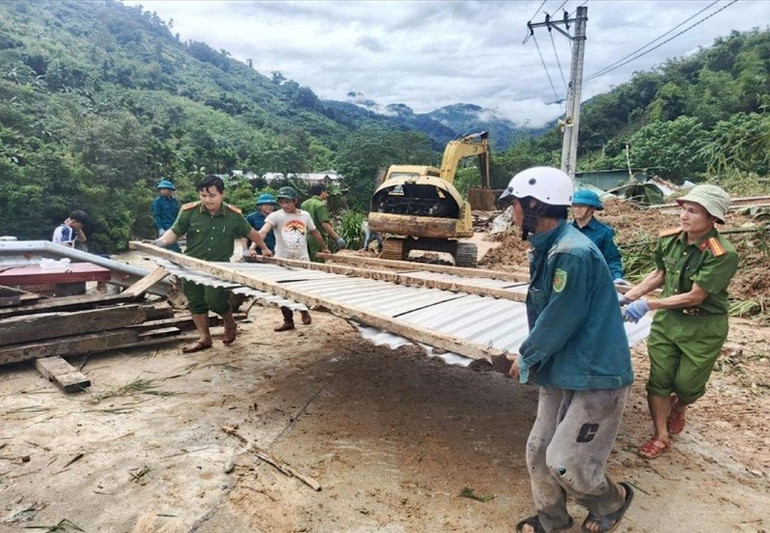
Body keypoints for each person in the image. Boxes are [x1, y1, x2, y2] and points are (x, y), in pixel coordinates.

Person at [499, 167, 634, 533]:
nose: (511, 213)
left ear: (532, 205)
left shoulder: (572, 253)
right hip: (561, 367)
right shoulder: (547, 249)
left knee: (566, 462)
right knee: (537, 452)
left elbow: (561, 316)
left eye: (513, 204)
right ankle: (553, 520)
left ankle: (613, 499)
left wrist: (526, 356)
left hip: (595, 374)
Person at [621, 184, 738, 460]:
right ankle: (660, 435)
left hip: (704, 328)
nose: (684, 216)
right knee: (658, 381)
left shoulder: (722, 254)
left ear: (713, 219)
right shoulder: (670, 240)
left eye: (693, 211)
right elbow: (660, 273)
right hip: (668, 323)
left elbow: (696, 297)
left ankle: (681, 405)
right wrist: (629, 296)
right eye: (684, 209)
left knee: (688, 385)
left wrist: (647, 304)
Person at [155, 175, 273, 353]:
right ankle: (204, 338)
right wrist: (159, 243)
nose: (207, 200)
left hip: (218, 267)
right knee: (195, 301)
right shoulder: (189, 211)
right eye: (203, 195)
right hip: (192, 265)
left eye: (212, 195)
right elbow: (175, 232)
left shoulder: (233, 216)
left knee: (215, 301)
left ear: (222, 194)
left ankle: (229, 320)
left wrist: (264, 248)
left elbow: (251, 232)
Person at [255, 186, 328, 331]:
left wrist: (324, 247)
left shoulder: (305, 216)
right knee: (281, 291)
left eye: (287, 202)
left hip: (301, 259)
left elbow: (315, 232)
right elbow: (262, 232)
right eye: (281, 202)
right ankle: (288, 321)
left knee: (300, 289)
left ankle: (303, 310)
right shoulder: (275, 216)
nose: (284, 205)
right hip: (282, 260)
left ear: (295, 201)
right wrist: (254, 248)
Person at [571, 189, 626, 284]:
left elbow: (612, 259)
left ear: (592, 208)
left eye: (582, 206)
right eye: (575, 205)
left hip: (593, 281)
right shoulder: (566, 230)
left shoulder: (604, 232)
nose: (577, 209)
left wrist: (616, 278)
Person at [300, 182, 345, 262]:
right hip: (317, 239)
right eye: (326, 192)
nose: (327, 194)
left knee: (306, 261)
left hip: (305, 237)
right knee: (317, 262)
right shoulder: (320, 205)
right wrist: (337, 238)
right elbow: (325, 224)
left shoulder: (304, 204)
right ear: (322, 192)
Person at [242, 193, 279, 258]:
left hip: (272, 251)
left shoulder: (277, 217)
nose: (270, 207)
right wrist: (245, 250)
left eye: (271, 205)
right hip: (255, 252)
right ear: (260, 206)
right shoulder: (252, 218)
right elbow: (244, 236)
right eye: (267, 205)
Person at [152, 179, 181, 253]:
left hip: (174, 228)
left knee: (170, 249)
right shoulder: (157, 202)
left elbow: (178, 215)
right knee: (174, 248)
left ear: (170, 190)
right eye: (161, 189)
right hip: (164, 228)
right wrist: (160, 229)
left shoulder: (174, 201)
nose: (163, 191)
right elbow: (157, 216)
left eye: (165, 189)